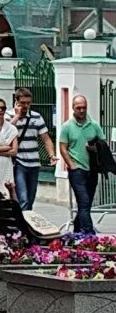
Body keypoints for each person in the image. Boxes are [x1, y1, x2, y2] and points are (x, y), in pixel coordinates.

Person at [59, 92, 103, 237]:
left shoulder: (94, 125)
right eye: (78, 108)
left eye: (84, 108)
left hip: (92, 169)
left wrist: (94, 148)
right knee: (83, 201)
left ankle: (77, 231)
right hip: (77, 170)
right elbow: (63, 147)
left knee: (87, 204)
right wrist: (71, 164)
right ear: (73, 108)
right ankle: (90, 236)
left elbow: (103, 145)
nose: (82, 111)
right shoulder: (67, 127)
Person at [12, 86, 54, 214]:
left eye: (28, 103)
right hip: (18, 162)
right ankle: (22, 229)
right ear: (16, 101)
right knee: (23, 198)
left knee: (30, 199)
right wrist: (17, 116)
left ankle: (26, 225)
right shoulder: (9, 115)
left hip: (34, 163)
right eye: (22, 103)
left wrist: (51, 155)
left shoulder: (36, 117)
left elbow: (46, 138)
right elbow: (4, 133)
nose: (26, 106)